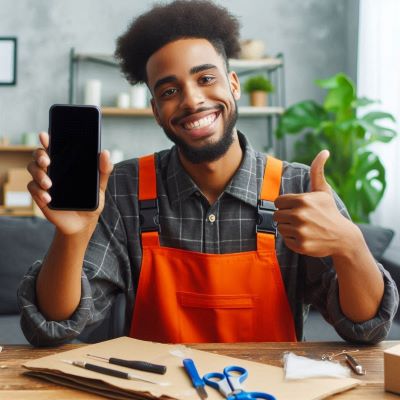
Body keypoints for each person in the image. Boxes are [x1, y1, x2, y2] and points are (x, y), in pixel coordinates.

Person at [19, 0, 398, 346]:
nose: (192, 99)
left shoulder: (297, 186)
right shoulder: (124, 188)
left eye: (205, 79)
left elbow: (366, 327)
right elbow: (53, 325)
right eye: (169, 91)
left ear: (233, 86)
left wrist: (350, 243)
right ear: (155, 110)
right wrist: (71, 236)